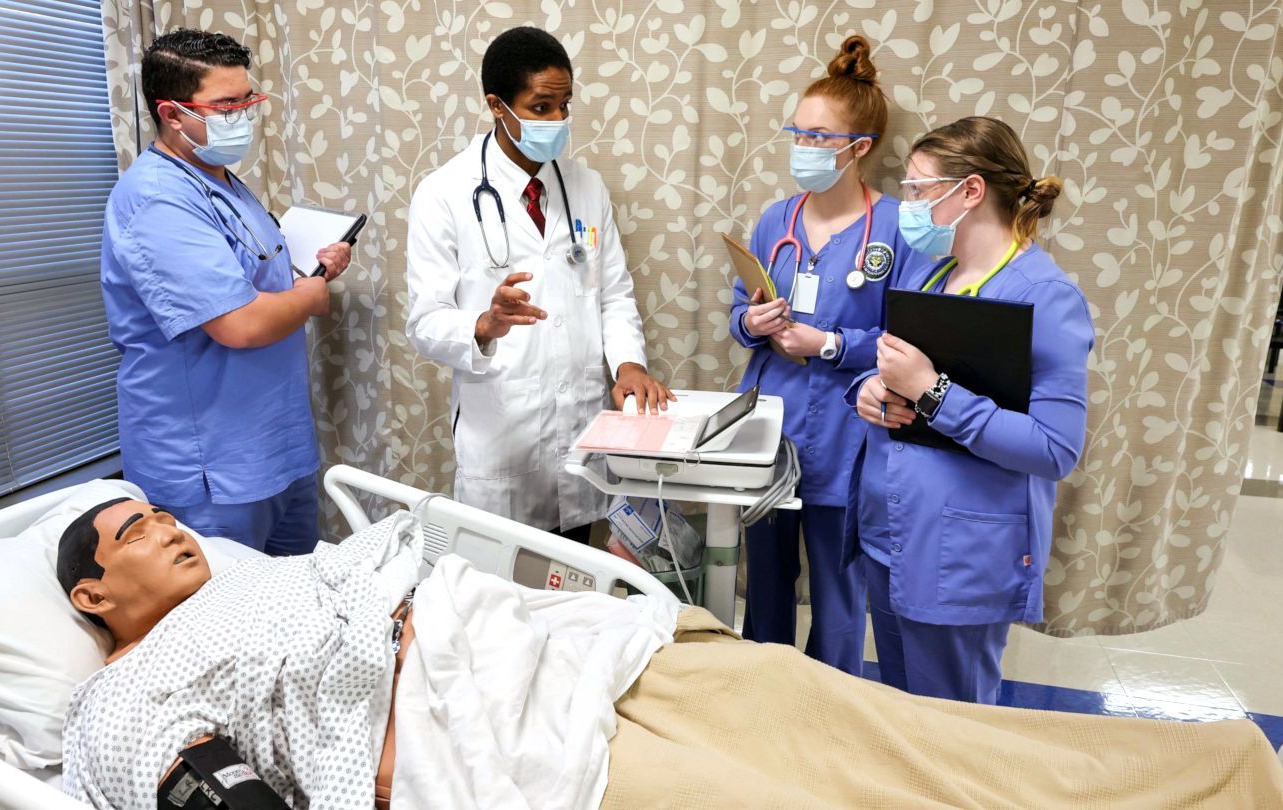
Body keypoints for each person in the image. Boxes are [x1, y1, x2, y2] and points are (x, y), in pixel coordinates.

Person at [56, 497, 1283, 809]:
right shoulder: (129, 690)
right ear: (93, 594)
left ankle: (1218, 778)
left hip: (575, 651)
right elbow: (213, 792)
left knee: (850, 710)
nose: (166, 527)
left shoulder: (277, 567)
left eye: (162, 512)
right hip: (475, 743)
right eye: (133, 534)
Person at [845, 116, 1094, 704]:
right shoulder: (932, 271)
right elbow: (890, 363)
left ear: (971, 191)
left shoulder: (1045, 297)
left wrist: (933, 392)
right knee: (904, 711)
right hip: (893, 535)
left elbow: (1055, 449)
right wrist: (870, 391)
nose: (906, 205)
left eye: (918, 190)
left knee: (952, 730)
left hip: (959, 554)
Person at [405, 26, 673, 542]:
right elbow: (425, 322)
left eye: (565, 106)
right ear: (496, 106)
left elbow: (613, 293)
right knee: (503, 594)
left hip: (581, 426)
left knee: (577, 583)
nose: (558, 121)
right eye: (542, 107)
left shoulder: (585, 186)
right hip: (501, 433)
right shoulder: (443, 193)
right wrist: (483, 324)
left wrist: (629, 365)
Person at [100, 29, 354, 555]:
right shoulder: (156, 200)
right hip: (210, 467)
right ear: (171, 114)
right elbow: (240, 323)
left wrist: (311, 272)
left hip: (274, 445)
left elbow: (255, 276)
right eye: (225, 105)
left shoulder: (223, 182)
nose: (241, 115)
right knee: (232, 621)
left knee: (296, 609)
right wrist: (310, 299)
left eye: (247, 100)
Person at [728, 36, 922, 671]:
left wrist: (832, 344)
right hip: (770, 427)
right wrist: (752, 321)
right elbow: (737, 313)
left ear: (858, 149)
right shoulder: (774, 220)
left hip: (850, 435)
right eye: (797, 133)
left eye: (818, 138)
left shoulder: (895, 230)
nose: (802, 149)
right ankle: (764, 694)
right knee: (765, 585)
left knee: (842, 595)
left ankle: (831, 709)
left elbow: (911, 340)